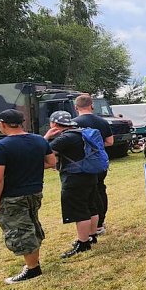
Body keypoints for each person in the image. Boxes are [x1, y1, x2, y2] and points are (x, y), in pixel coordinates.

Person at [0, 109, 56, 284]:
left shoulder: (0, 147)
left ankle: (33, 270)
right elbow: (51, 162)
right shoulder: (39, 140)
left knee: (21, 232)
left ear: (2, 124)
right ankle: (33, 262)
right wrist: (30, 166)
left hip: (12, 197)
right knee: (32, 226)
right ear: (21, 123)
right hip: (35, 193)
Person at [43, 111, 99, 259]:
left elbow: (43, 152)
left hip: (74, 178)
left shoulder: (64, 138)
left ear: (54, 124)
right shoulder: (80, 133)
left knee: (79, 210)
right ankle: (92, 236)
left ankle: (83, 243)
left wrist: (46, 137)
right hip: (90, 174)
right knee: (91, 206)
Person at [72, 93, 112, 237]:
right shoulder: (102, 122)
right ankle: (100, 223)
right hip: (100, 163)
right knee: (100, 190)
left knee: (86, 194)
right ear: (92, 106)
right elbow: (110, 142)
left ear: (76, 107)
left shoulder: (73, 123)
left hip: (82, 165)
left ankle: (88, 226)